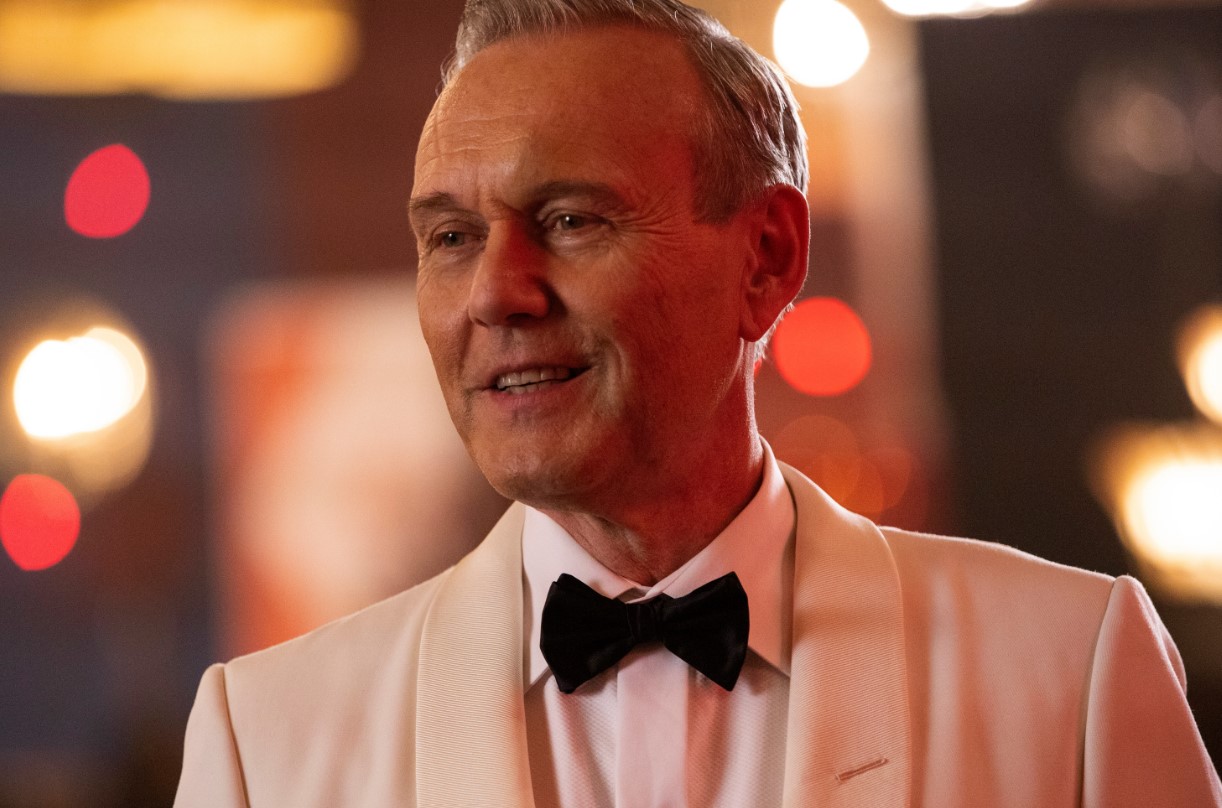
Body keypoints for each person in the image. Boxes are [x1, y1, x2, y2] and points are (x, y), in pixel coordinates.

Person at [173, 0, 1222, 805]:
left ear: (767, 258)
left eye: (570, 219)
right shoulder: (265, 741)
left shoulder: (1070, 670)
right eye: (452, 237)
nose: (495, 292)